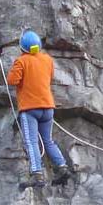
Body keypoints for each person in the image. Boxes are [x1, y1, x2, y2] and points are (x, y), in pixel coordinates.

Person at [8, 30, 71, 190]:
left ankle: (37, 175)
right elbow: (49, 77)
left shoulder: (21, 61)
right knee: (48, 140)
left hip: (30, 108)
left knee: (31, 142)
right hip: (48, 107)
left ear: (22, 47)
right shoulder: (47, 60)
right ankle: (62, 167)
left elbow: (12, 80)